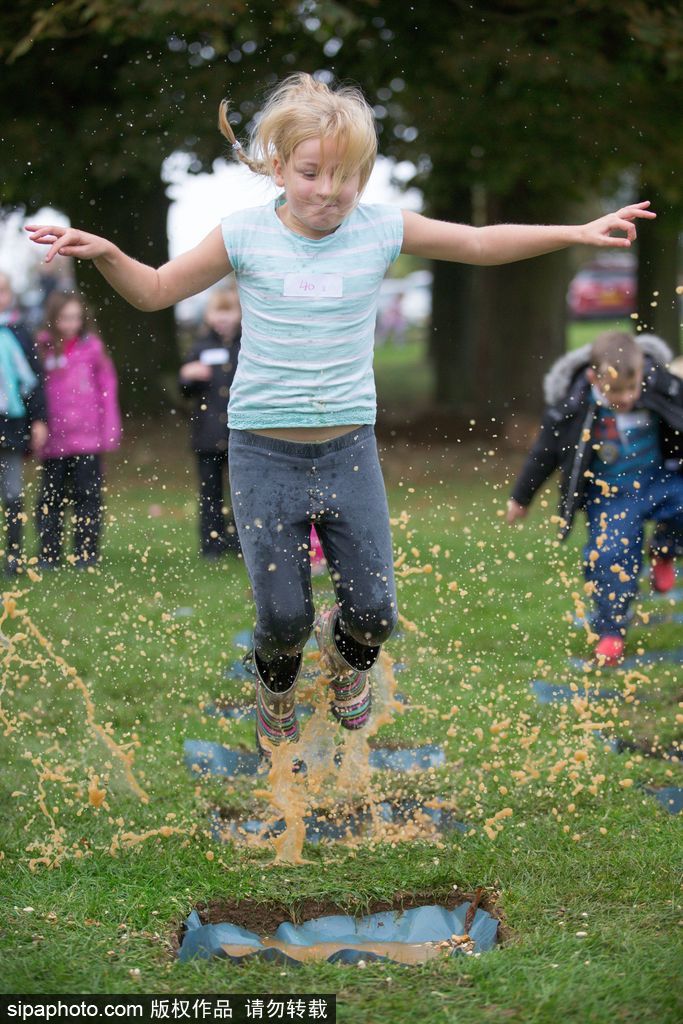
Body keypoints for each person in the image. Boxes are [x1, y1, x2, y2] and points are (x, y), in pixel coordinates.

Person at [25, 72, 655, 753]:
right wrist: (112, 255)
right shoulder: (242, 234)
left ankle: (348, 668)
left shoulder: (380, 229)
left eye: (346, 177)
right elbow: (153, 291)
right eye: (310, 173)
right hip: (262, 452)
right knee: (282, 617)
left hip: (348, 449)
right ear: (275, 166)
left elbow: (477, 243)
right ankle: (274, 687)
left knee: (375, 612)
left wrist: (575, 231)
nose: (328, 191)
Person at [507, 330, 683, 665]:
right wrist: (521, 497)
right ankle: (611, 632)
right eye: (614, 391)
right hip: (611, 496)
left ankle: (665, 549)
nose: (625, 398)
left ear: (642, 374)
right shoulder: (573, 407)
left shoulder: (660, 385)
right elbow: (545, 452)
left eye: (631, 389)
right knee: (609, 557)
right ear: (593, 377)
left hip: (658, 480)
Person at [35, 291, 122, 568]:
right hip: (54, 438)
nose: (70, 324)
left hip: (88, 438)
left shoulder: (92, 348)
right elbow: (35, 390)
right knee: (51, 498)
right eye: (64, 318)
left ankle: (86, 553)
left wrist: (109, 429)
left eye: (75, 318)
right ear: (53, 319)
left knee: (88, 496)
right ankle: (50, 554)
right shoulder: (43, 348)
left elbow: (107, 389)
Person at [179, 286, 241, 560]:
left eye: (229, 312)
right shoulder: (200, 348)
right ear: (208, 315)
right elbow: (185, 390)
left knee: (241, 492)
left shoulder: (247, 346)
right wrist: (187, 376)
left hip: (240, 432)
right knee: (210, 492)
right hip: (208, 432)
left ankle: (241, 542)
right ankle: (211, 543)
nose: (223, 318)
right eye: (218, 312)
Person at [0, 272, 47, 574]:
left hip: (10, 425)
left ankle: (13, 556)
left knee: (13, 492)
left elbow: (33, 381)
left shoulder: (19, 333)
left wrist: (39, 419)